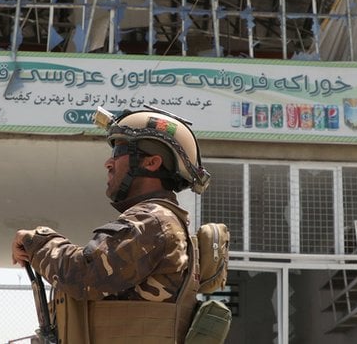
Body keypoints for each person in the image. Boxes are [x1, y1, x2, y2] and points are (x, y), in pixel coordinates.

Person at [12, 107, 212, 344]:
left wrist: (35, 240)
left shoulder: (153, 220)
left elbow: (84, 274)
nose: (108, 163)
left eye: (119, 152)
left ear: (151, 162)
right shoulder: (160, 220)